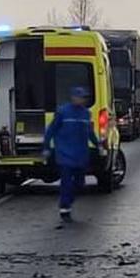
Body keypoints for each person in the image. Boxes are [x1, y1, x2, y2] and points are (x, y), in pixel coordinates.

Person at [43, 85, 99, 222]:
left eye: (83, 98)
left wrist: (98, 144)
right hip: (65, 154)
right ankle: (64, 208)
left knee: (80, 184)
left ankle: (67, 201)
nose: (81, 100)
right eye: (79, 97)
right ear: (73, 97)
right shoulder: (63, 112)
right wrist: (46, 147)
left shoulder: (86, 114)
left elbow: (90, 133)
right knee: (66, 182)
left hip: (80, 155)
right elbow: (51, 130)